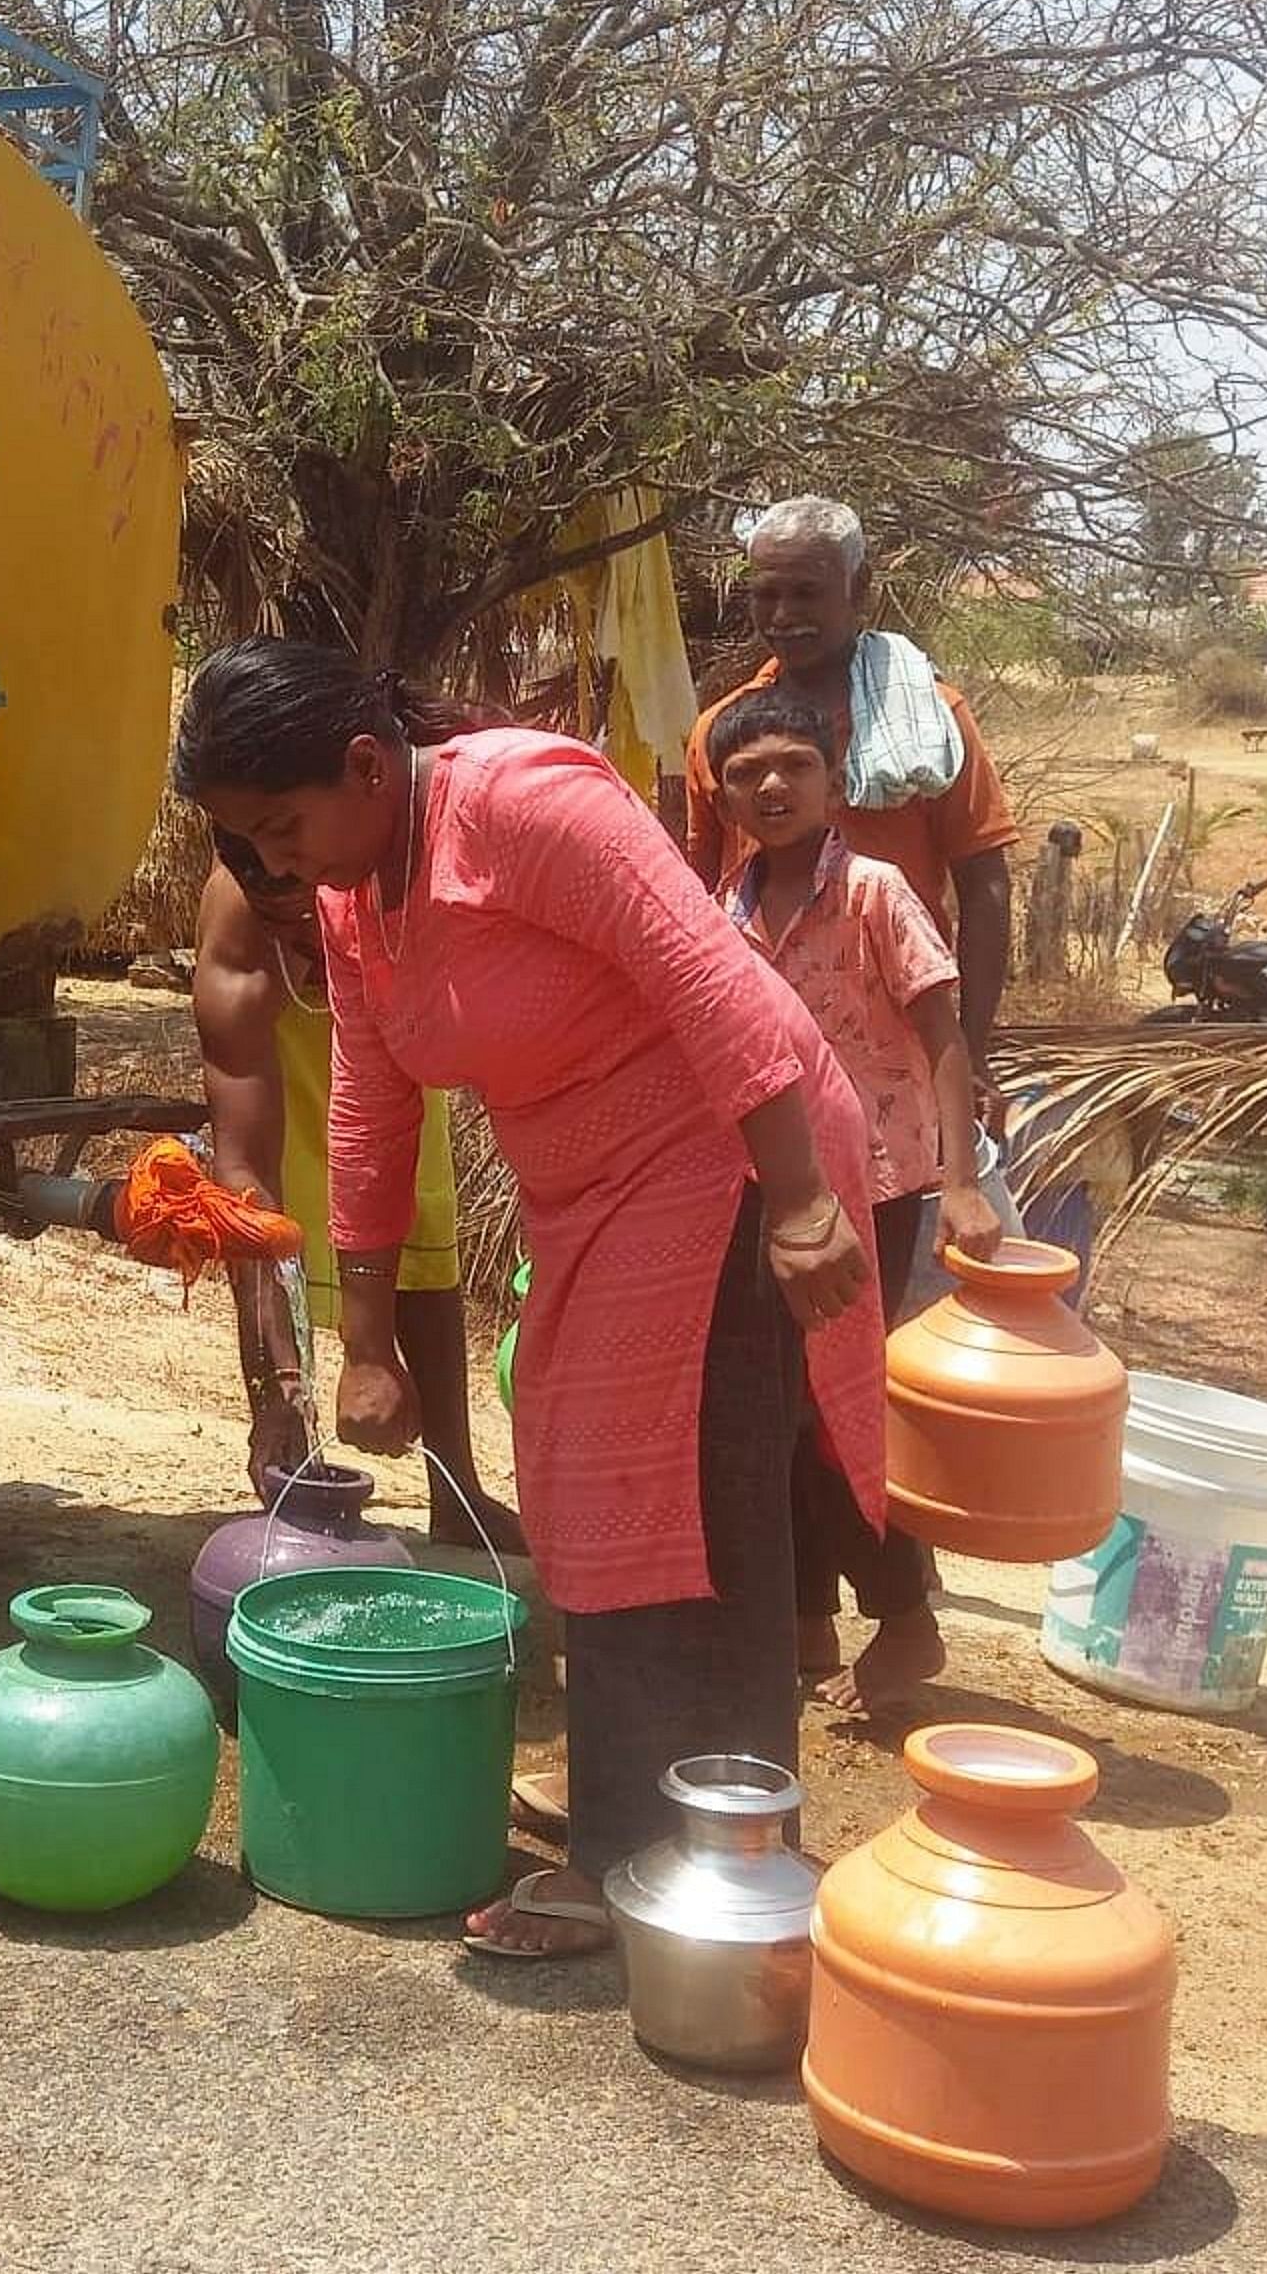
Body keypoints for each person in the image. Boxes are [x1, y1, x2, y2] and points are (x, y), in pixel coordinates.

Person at [177, 638, 884, 1960]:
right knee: (585, 1490)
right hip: (597, 1191)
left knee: (682, 1495)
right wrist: (368, 1340)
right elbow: (370, 1107)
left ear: (366, 765)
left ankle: (676, 1852)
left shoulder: (526, 805)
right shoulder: (353, 892)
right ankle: (669, 1812)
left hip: (725, 1152)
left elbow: (716, 983)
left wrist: (796, 1201)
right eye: (245, 843)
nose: (272, 865)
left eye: (281, 826)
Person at [708, 685, 1004, 1715]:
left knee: (841, 1413)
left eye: (792, 766)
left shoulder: (875, 890)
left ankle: (905, 1616)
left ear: (834, 781)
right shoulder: (726, 910)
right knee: (774, 1409)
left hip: (877, 1181)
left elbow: (943, 1038)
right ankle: (805, 1622)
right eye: (746, 776)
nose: (771, 787)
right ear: (724, 797)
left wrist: (962, 1184)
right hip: (770, 1191)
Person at [194, 820, 526, 1554]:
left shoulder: (393, 875)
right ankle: (295, 1470)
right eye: (292, 926)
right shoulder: (239, 937)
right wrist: (272, 1387)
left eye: (320, 914)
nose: (312, 943)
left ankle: (456, 1488)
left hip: (396, 1046)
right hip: (288, 1074)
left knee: (420, 1235)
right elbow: (246, 1177)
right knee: (290, 1243)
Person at [685, 496, 1018, 1119]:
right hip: (760, 1049)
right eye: (767, 594)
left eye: (807, 593)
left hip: (900, 1051)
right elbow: (700, 895)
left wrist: (971, 1050)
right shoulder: (721, 733)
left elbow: (985, 886)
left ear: (858, 587)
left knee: (892, 1209)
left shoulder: (930, 727)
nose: (784, 615)